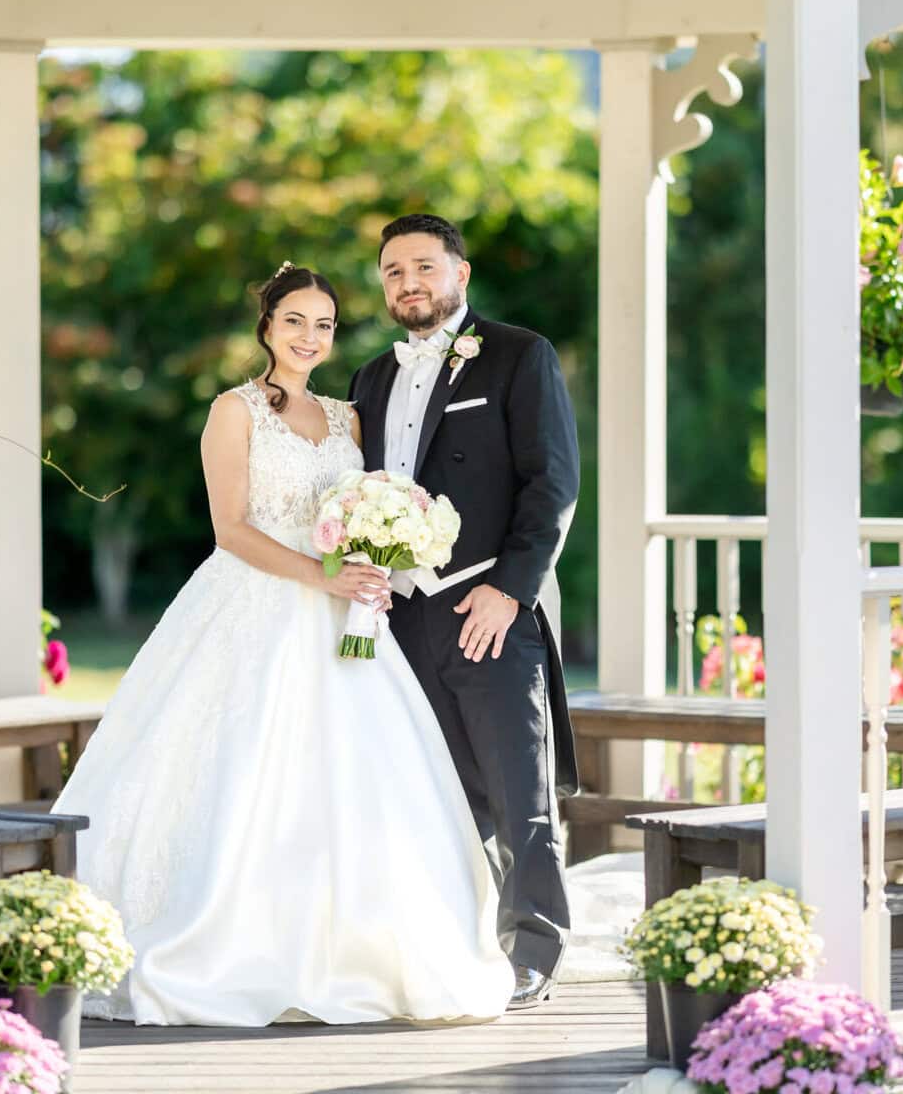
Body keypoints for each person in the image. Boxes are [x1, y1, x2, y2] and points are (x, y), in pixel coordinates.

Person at [54, 262, 513, 1026]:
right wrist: (319, 576)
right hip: (255, 601)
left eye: (325, 324)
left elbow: (365, 504)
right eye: (295, 320)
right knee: (239, 764)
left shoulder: (346, 419)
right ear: (267, 327)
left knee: (358, 773)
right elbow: (230, 530)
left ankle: (362, 948)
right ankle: (219, 942)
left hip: (346, 621)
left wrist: (379, 553)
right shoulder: (232, 412)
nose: (310, 336)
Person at [348, 214, 581, 1006]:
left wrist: (511, 590)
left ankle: (534, 949)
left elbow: (553, 484)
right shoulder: (370, 377)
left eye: (423, 266)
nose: (408, 283)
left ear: (461, 273)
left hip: (488, 607)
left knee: (519, 791)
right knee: (434, 793)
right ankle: (458, 942)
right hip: (401, 619)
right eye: (392, 271)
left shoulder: (521, 354)